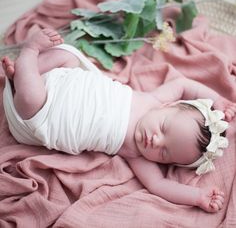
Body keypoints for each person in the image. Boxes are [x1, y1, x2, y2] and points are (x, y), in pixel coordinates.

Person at [1, 28, 236, 213]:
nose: (156, 141)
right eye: (164, 128)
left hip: (47, 114)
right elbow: (185, 85)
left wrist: (197, 197)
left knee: (30, 99)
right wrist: (217, 100)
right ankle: (25, 73)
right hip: (64, 81)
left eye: (165, 154)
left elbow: (160, 186)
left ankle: (28, 59)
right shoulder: (154, 99)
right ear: (169, 107)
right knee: (67, 55)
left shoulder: (136, 154)